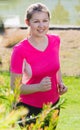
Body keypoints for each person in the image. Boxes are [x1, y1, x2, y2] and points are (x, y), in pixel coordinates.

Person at [10, 2, 67, 129]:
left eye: (45, 21)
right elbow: (15, 87)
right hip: (29, 109)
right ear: (27, 22)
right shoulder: (20, 50)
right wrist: (39, 87)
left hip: (53, 105)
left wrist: (60, 83)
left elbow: (56, 66)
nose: (41, 26)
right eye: (36, 21)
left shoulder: (55, 40)